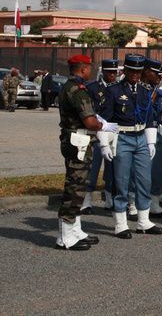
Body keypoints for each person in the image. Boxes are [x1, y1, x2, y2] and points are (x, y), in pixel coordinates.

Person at [102, 54, 162, 238]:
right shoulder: (113, 90)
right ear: (124, 71)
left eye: (138, 72)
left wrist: (151, 141)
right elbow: (105, 119)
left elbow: (150, 117)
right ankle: (120, 223)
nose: (135, 75)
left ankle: (143, 220)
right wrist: (105, 143)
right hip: (122, 137)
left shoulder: (145, 90)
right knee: (122, 181)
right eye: (131, 71)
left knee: (144, 180)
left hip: (141, 137)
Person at [55, 54, 112, 251]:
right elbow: (90, 121)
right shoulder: (78, 90)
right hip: (78, 141)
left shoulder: (70, 86)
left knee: (78, 186)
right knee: (74, 187)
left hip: (77, 140)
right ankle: (65, 237)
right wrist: (103, 125)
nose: (91, 69)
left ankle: (75, 229)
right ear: (83, 69)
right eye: (89, 67)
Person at [81, 59, 119, 214]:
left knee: (112, 168)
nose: (112, 75)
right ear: (103, 72)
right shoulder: (92, 87)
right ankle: (86, 201)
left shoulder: (118, 88)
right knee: (92, 167)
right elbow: (89, 109)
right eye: (109, 72)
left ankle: (109, 199)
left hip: (113, 132)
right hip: (96, 132)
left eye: (114, 72)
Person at [143, 59, 162, 220]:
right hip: (141, 131)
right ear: (147, 71)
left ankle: (158, 199)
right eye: (157, 73)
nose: (160, 77)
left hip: (155, 129)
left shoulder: (156, 89)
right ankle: (144, 203)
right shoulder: (141, 89)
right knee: (149, 169)